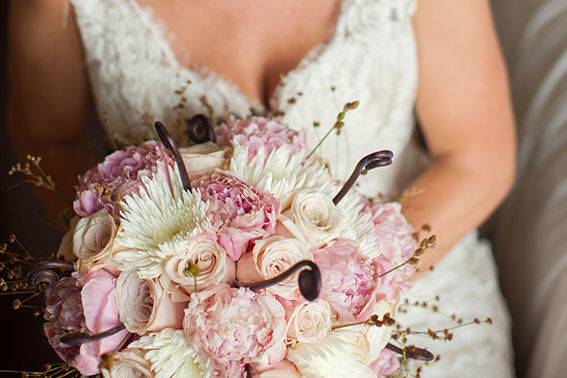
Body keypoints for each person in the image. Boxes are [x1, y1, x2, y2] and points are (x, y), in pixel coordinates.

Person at [8, 1, 515, 376]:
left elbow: (477, 159)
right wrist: (129, 271)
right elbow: (48, 136)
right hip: (175, 344)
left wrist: (333, 301)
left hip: (418, 291)